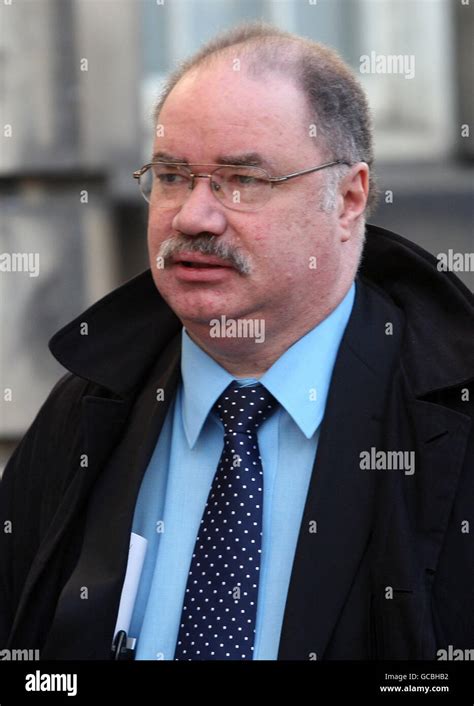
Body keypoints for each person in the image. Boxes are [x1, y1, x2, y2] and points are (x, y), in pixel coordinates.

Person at [0, 22, 473, 661]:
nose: (193, 216)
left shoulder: (451, 423)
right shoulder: (86, 407)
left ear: (349, 198)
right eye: (170, 176)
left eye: (241, 179)